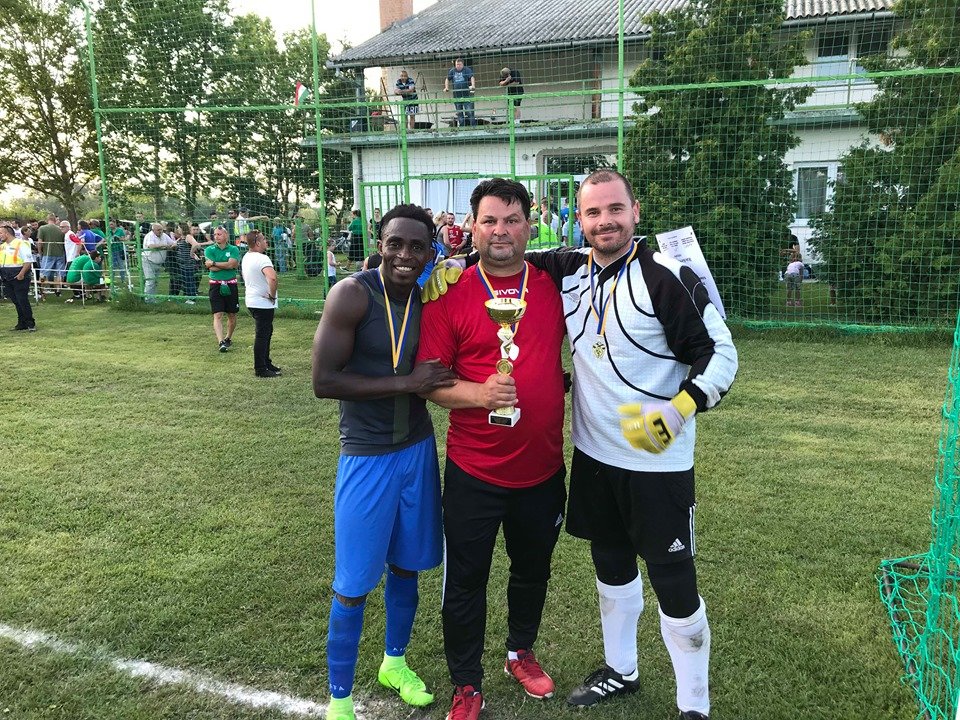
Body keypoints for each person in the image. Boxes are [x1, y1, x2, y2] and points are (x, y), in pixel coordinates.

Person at [521, 169, 737, 720]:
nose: (605, 222)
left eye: (615, 209)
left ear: (635, 212)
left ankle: (694, 706)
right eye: (592, 212)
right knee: (611, 565)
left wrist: (680, 409)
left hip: (657, 462)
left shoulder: (667, 275)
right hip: (594, 456)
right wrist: (448, 265)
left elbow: (721, 354)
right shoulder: (567, 266)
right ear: (578, 219)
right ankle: (622, 670)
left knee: (674, 579)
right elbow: (504, 254)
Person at [416, 179, 567, 720]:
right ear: (472, 227)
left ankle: (519, 651)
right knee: (466, 581)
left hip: (543, 468)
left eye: (511, 220)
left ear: (529, 226)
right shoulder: (448, 291)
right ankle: (466, 682)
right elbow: (431, 383)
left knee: (533, 570)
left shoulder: (555, 284)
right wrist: (480, 394)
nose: (500, 231)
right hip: (474, 471)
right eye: (489, 220)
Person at [312, 204, 458, 720]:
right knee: (353, 584)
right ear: (380, 244)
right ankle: (339, 700)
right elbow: (324, 381)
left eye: (417, 247)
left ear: (429, 251)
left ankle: (394, 663)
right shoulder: (351, 294)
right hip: (367, 456)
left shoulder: (429, 293)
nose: (404, 255)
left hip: (417, 451)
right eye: (395, 243)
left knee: (406, 566)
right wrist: (407, 383)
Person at [241, 230, 281, 377]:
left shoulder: (246, 256)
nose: (266, 242)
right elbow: (272, 278)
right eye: (264, 239)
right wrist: (272, 295)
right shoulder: (262, 258)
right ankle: (260, 368)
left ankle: (266, 362)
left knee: (266, 332)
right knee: (262, 335)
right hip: (262, 303)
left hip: (252, 300)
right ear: (257, 243)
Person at [204, 225, 241, 352]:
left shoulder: (234, 249)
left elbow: (232, 265)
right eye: (215, 234)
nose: (216, 236)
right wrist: (226, 265)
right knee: (218, 314)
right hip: (215, 284)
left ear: (226, 235)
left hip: (231, 284)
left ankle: (228, 338)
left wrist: (214, 263)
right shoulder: (209, 250)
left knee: (232, 314)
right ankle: (221, 342)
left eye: (219, 234)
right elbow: (212, 269)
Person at [0, 224, 36, 331]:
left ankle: (30, 323)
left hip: (19, 275)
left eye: (1, 233)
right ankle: (22, 323)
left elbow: (28, 261)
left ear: (7, 233)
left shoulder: (21, 244)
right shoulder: (3, 246)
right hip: (6, 276)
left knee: (22, 300)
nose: (0, 235)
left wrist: (21, 274)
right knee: (16, 301)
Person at [141, 222, 176, 298]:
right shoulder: (150, 236)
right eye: (158, 230)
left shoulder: (164, 235)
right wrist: (164, 245)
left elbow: (173, 243)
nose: (160, 231)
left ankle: (151, 297)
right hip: (148, 261)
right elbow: (151, 246)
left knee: (155, 281)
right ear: (153, 230)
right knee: (150, 281)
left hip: (159, 262)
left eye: (161, 230)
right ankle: (148, 299)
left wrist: (171, 245)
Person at [36, 214, 65, 296]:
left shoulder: (42, 228)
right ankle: (58, 290)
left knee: (44, 273)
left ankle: (42, 290)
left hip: (48, 253)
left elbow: (40, 242)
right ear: (55, 220)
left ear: (47, 219)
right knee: (59, 273)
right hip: (60, 253)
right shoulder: (60, 229)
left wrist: (40, 252)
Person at [445, 58, 476, 127]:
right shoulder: (452, 71)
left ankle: (473, 127)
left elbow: (472, 77)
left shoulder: (467, 70)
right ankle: (462, 128)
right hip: (456, 96)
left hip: (466, 95)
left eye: (459, 64)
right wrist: (446, 87)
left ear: (463, 64)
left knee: (469, 112)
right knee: (459, 113)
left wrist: (473, 85)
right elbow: (447, 79)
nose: (458, 66)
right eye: (457, 64)